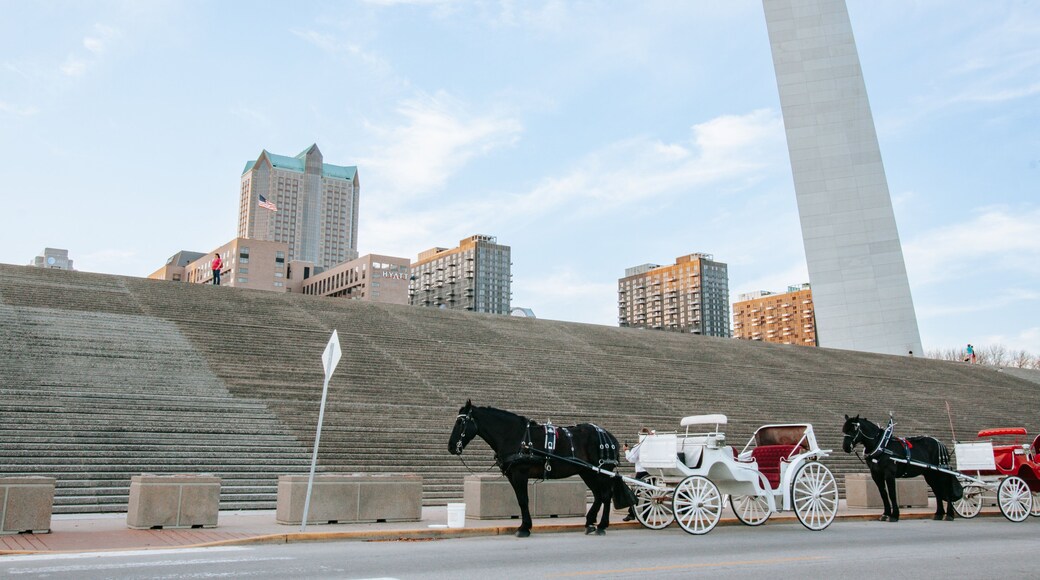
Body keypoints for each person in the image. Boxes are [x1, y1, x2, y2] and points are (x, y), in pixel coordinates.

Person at [622, 427, 653, 521]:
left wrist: (626, 450)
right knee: (650, 495)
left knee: (636, 494)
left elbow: (631, 458)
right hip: (653, 472)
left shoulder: (638, 446)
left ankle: (632, 513)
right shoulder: (654, 446)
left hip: (641, 472)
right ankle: (646, 516)